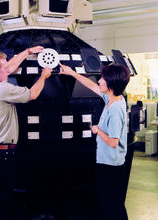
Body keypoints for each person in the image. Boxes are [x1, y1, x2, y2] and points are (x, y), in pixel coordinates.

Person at [0, 46, 52, 220]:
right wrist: (44, 76)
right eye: (4, 69)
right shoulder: (2, 89)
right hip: (2, 156)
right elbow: (32, 94)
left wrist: (28, 52)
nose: (8, 72)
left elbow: (9, 66)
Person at [59, 62, 130, 220]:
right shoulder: (112, 98)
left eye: (103, 78)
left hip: (112, 165)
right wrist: (72, 73)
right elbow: (92, 86)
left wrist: (98, 130)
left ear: (111, 83)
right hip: (106, 162)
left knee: (113, 206)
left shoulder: (115, 108)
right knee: (106, 204)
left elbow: (113, 142)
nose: (99, 81)